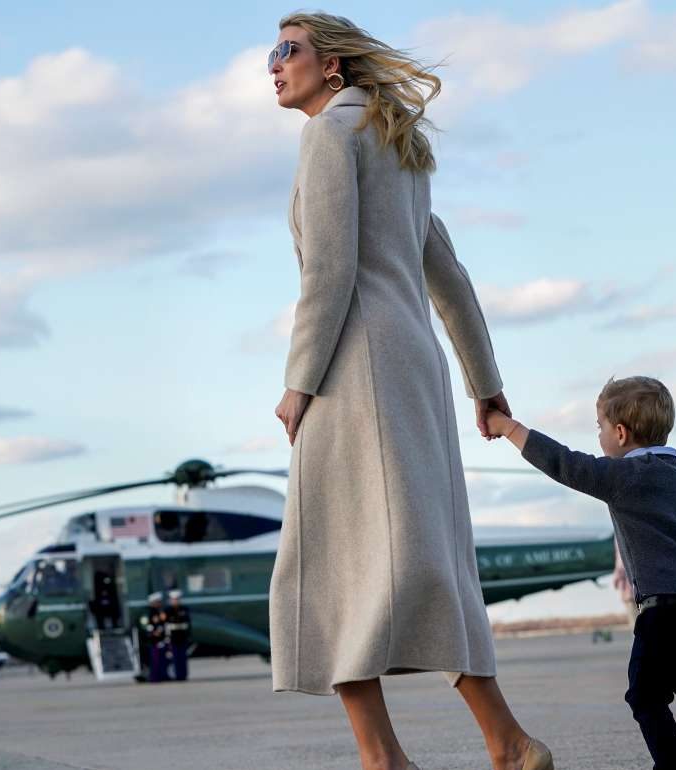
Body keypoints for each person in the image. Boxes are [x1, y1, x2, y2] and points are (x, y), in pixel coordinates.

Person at [267, 12, 552, 770]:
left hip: (349, 365)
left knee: (327, 564)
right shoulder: (398, 144)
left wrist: (298, 382)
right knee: (424, 555)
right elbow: (449, 277)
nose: (273, 65)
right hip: (412, 366)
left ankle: (384, 758)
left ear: (332, 65)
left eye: (287, 50)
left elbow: (328, 272)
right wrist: (486, 386)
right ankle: (506, 741)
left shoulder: (329, 135)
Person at [484, 377, 676, 770]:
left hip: (663, 610)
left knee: (646, 697)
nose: (598, 436)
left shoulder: (625, 477)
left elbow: (563, 463)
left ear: (620, 433)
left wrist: (508, 427)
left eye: (599, 427)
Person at [138, 592, 168, 684]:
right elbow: (144, 625)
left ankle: (162, 675)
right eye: (157, 602)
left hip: (161, 640)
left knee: (162, 660)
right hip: (151, 641)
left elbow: (163, 624)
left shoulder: (160, 612)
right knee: (154, 660)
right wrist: (153, 632)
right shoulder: (147, 612)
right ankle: (154, 677)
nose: (159, 603)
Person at [164, 590, 191, 682]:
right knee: (175, 657)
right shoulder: (168, 610)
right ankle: (177, 675)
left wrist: (188, 635)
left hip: (182, 636)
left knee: (183, 657)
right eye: (174, 600)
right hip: (173, 637)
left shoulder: (184, 609)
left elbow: (188, 623)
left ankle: (183, 675)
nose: (175, 601)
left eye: (177, 599)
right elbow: (165, 624)